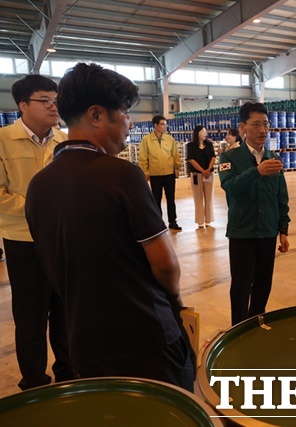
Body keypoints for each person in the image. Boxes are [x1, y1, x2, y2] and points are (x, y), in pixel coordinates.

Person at [25, 63, 194, 392]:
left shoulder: (38, 186)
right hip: (146, 341)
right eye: (125, 112)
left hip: (85, 347)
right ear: (96, 115)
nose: (129, 122)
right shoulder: (121, 175)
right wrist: (174, 300)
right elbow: (165, 264)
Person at [0, 74, 75, 390]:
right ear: (23, 106)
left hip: (62, 240)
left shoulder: (65, 142)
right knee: (30, 317)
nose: (53, 106)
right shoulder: (3, 140)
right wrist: (39, 207)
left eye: (55, 100)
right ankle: (34, 381)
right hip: (23, 242)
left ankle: (68, 373)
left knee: (66, 312)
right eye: (45, 100)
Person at [218, 102, 290, 325]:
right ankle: (238, 329)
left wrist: (283, 229)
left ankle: (256, 323)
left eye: (266, 125)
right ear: (242, 128)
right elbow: (230, 187)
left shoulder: (273, 158)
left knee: (263, 284)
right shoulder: (229, 158)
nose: (262, 130)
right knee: (240, 286)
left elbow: (281, 197)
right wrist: (255, 171)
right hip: (242, 232)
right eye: (256, 124)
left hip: (267, 232)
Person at [139, 115, 182, 231]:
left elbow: (175, 155)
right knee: (156, 199)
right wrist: (145, 172)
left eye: (165, 124)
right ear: (155, 126)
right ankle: (158, 222)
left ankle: (173, 221)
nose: (165, 126)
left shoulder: (170, 139)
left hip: (169, 173)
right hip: (155, 174)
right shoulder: (146, 140)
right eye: (162, 124)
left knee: (171, 199)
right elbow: (143, 157)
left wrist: (178, 168)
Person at [187, 125, 216, 228]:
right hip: (196, 174)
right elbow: (191, 160)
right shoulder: (191, 145)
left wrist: (208, 169)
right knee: (198, 197)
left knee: (209, 197)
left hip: (209, 174)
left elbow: (213, 157)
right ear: (197, 133)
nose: (205, 134)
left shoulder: (209, 144)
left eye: (205, 132)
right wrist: (202, 170)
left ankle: (209, 219)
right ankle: (200, 220)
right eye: (202, 132)